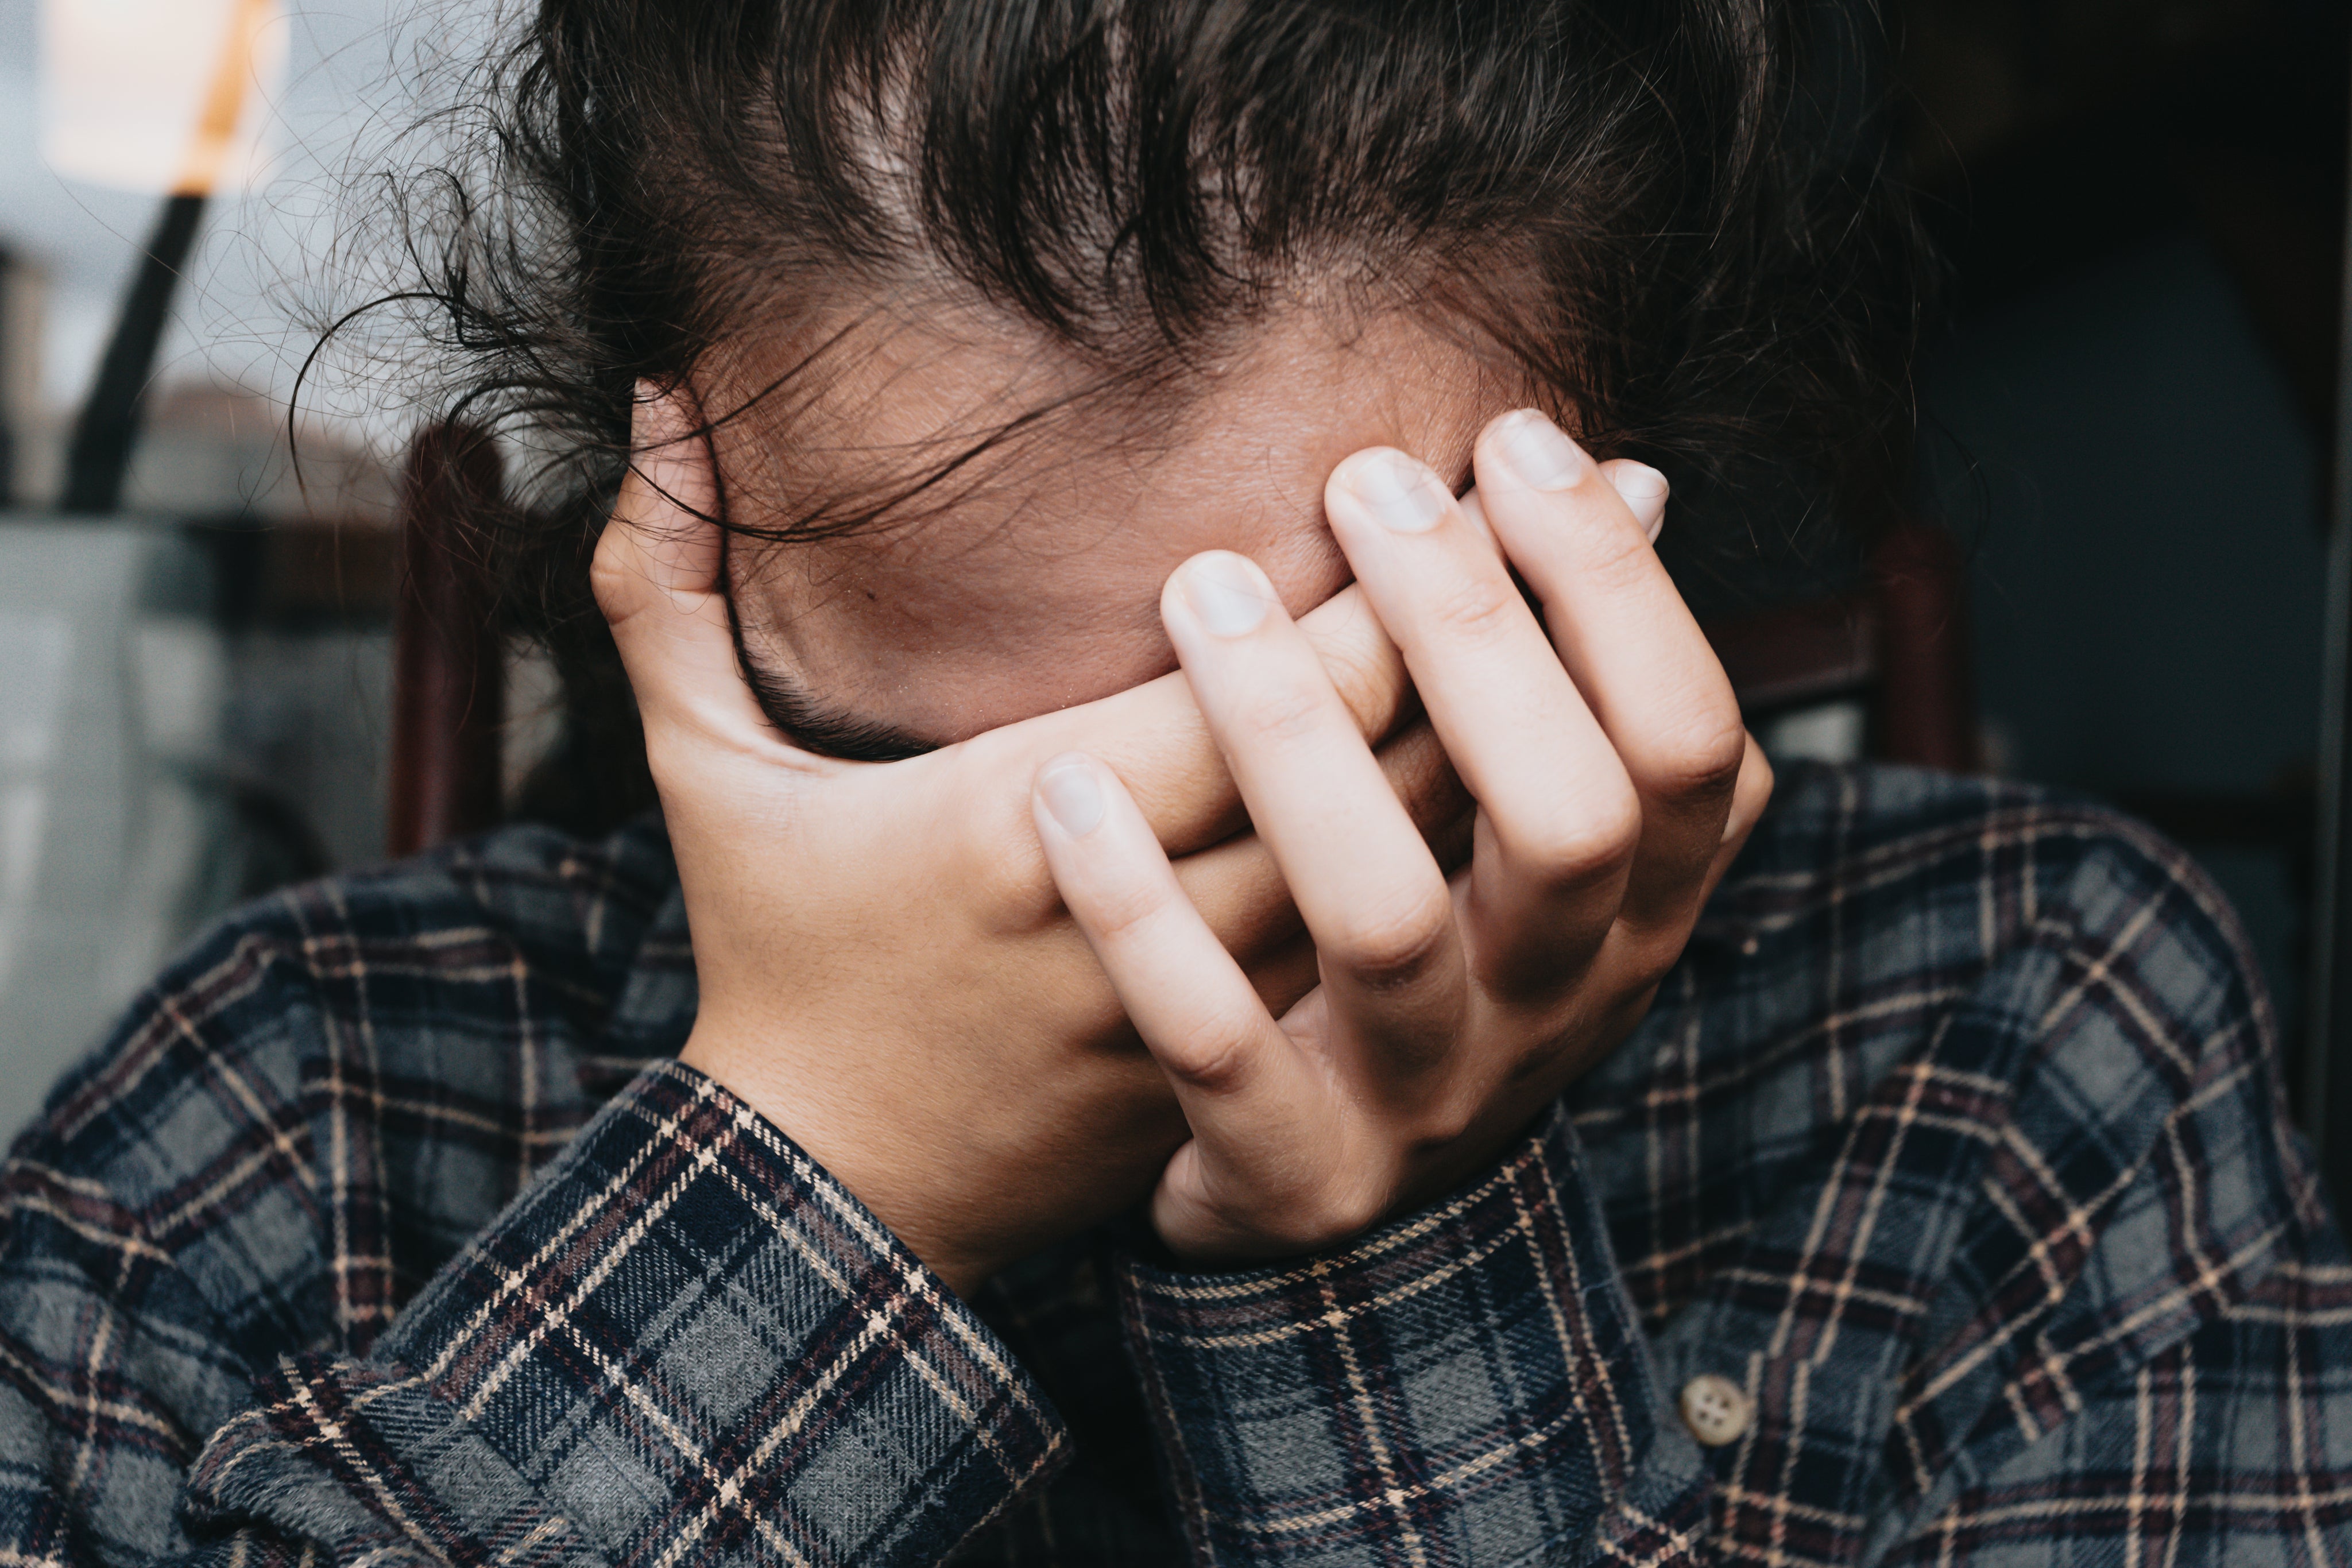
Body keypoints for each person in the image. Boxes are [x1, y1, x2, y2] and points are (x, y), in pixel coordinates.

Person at [3, 1, 2347, 1563]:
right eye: (910, 770)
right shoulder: (304, 1080)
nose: (1121, 931)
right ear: (659, 554)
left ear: (1607, 530)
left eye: (1316, 753)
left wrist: (1380, 1262)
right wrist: (818, 1158)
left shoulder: (2012, 1017)